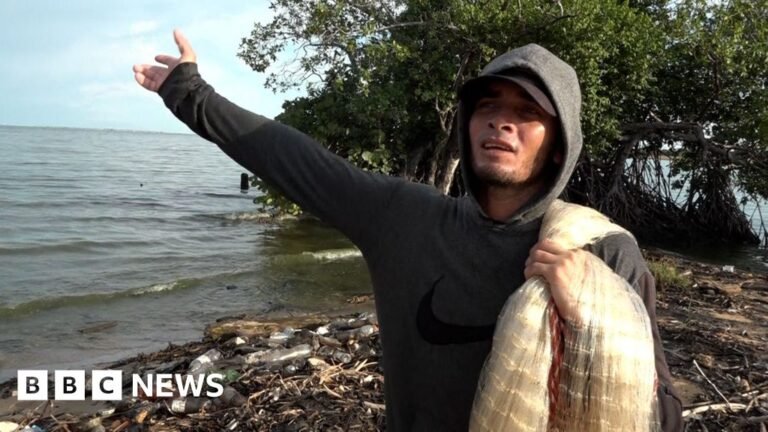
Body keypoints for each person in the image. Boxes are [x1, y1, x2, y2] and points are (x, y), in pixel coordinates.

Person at [134, 30, 684, 431]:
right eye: (488, 105)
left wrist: (590, 316)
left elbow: (662, 418)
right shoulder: (406, 219)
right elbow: (295, 160)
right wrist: (190, 94)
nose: (501, 121)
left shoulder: (602, 253)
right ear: (468, 123)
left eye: (528, 112)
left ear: (560, 142)